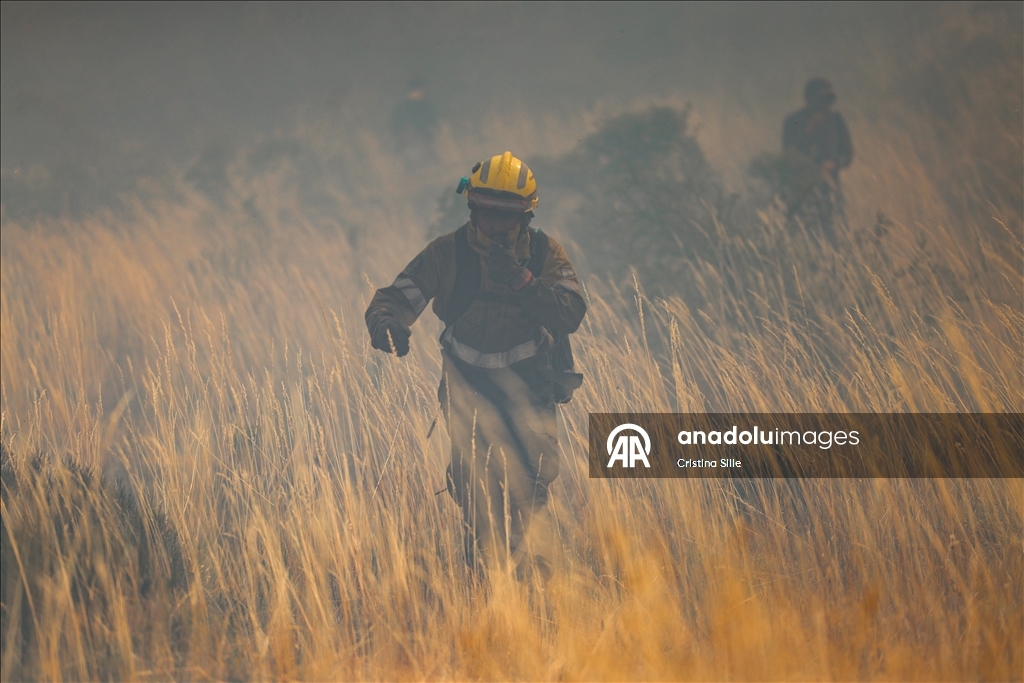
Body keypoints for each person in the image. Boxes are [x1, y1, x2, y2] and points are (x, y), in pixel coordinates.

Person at [364, 152, 587, 582]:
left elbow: (571, 313)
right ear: (472, 207)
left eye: (506, 216)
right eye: (486, 212)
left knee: (532, 497)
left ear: (525, 215)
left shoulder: (544, 253)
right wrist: (385, 326)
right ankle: (484, 593)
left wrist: (524, 282)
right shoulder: (448, 253)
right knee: (476, 499)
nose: (495, 225)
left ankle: (536, 599)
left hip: (530, 387)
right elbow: (393, 298)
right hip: (467, 388)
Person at [782, 78, 853, 241]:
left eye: (827, 99)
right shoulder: (793, 122)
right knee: (803, 236)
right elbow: (788, 153)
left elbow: (847, 154)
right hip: (802, 190)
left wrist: (834, 164)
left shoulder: (836, 120)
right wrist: (808, 129)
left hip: (830, 189)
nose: (824, 104)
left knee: (834, 236)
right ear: (808, 99)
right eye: (820, 99)